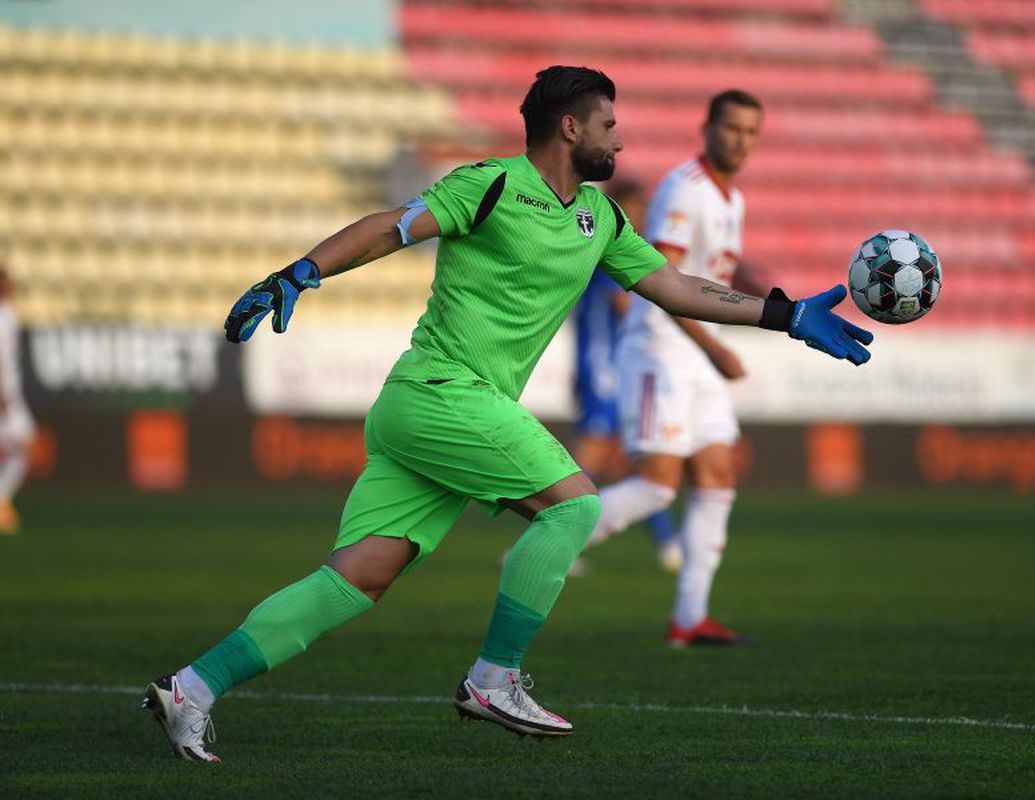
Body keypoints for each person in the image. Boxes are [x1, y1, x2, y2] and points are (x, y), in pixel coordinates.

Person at [142, 66, 872, 762]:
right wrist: (301, 272)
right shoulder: (490, 184)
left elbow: (677, 288)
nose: (621, 141)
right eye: (609, 125)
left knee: (359, 576)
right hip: (443, 392)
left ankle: (192, 689)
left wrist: (785, 315)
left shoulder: (600, 217)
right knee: (574, 508)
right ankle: (494, 680)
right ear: (568, 127)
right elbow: (390, 226)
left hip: (426, 410)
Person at [584, 90, 768, 647]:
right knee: (658, 489)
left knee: (717, 477)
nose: (740, 140)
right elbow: (664, 284)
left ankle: (689, 617)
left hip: (698, 358)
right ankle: (552, 535)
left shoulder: (731, 199)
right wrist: (714, 349)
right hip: (662, 353)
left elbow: (715, 279)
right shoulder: (683, 190)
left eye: (750, 131)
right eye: (731, 127)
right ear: (707, 127)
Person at [570, 179, 680, 573]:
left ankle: (668, 542)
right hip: (601, 365)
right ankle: (554, 541)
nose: (640, 216)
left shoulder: (619, 249)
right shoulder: (605, 248)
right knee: (595, 453)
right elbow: (625, 302)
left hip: (619, 365)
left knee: (636, 458)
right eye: (633, 208)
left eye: (643, 209)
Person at [0, 264, 33, 535]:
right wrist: (5, 395)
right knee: (22, 445)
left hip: (9, 393)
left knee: (19, 448)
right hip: (5, 396)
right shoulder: (4, 317)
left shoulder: (8, 315)